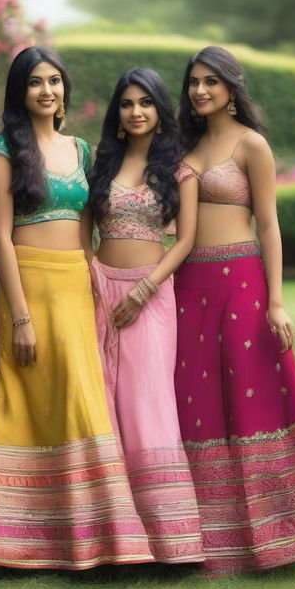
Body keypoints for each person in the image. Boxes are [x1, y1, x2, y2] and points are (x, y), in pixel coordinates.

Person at [0, 47, 154, 569]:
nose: (48, 91)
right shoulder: (2, 151)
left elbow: (88, 222)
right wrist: (19, 314)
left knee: (82, 399)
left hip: (75, 283)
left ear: (64, 89)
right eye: (36, 82)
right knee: (30, 402)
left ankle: (96, 537)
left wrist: (91, 271)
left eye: (55, 81)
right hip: (28, 285)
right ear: (20, 91)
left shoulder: (81, 150)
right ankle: (19, 540)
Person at [174, 45, 295, 574]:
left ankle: (282, 532)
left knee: (252, 396)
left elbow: (269, 224)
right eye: (193, 82)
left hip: (241, 284)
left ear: (232, 86)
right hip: (189, 285)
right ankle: (203, 536)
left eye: (210, 81)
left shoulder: (252, 145)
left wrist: (276, 300)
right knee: (195, 397)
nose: (200, 91)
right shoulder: (187, 144)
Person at [88, 68, 203, 563]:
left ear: (160, 111)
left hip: (150, 296)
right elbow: (83, 228)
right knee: (103, 405)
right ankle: (113, 536)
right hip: (97, 288)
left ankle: (169, 540)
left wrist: (145, 290)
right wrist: (90, 276)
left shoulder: (179, 169)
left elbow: (188, 240)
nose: (136, 112)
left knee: (146, 404)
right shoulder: (101, 163)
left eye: (146, 103)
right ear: (117, 113)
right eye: (127, 103)